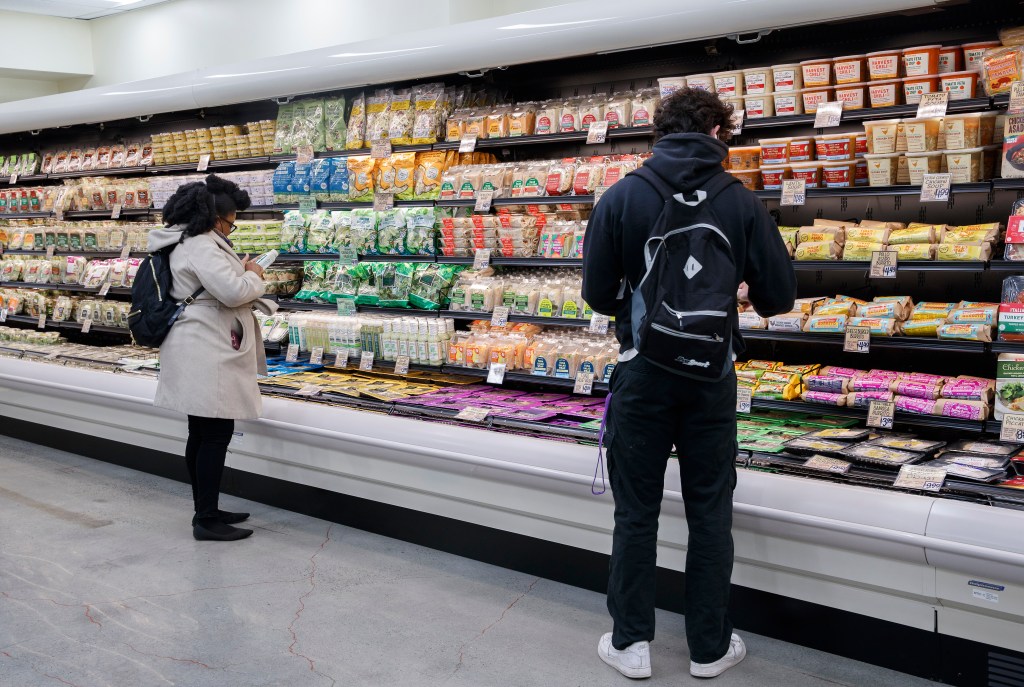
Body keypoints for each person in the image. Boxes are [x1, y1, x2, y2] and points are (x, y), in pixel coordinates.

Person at [582, 87, 796, 679]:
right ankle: (708, 648)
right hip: (712, 378)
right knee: (709, 513)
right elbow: (780, 296)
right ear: (719, 133)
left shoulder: (623, 195)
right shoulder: (742, 203)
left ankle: (631, 645)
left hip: (643, 375)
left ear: (658, 131)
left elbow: (597, 293)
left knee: (636, 513)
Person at [147, 174, 276, 542]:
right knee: (215, 433)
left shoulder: (184, 240)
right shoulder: (201, 244)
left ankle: (206, 507)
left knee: (201, 432)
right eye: (232, 220)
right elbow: (233, 292)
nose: (233, 227)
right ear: (216, 217)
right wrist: (254, 275)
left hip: (196, 341)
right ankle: (206, 518)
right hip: (207, 346)